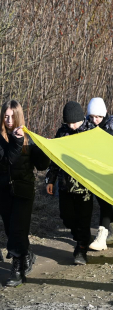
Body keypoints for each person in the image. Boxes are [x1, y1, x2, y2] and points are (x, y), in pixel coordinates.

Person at [0, 100, 49, 286]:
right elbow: (7, 161)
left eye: (12, 116)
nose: (9, 120)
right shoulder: (0, 139)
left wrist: (46, 150)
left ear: (19, 116)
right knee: (10, 230)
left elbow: (42, 165)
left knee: (18, 231)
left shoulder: (28, 139)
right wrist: (16, 141)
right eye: (6, 116)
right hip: (4, 192)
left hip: (24, 192)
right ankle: (27, 254)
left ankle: (18, 271)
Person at [46, 101, 95, 264]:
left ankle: (81, 249)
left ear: (81, 119)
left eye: (75, 122)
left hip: (86, 188)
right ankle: (83, 237)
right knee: (66, 217)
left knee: (83, 219)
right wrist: (50, 180)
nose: (72, 126)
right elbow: (55, 158)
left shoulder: (92, 132)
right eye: (69, 123)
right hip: (65, 185)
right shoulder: (62, 132)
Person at [87, 98, 113, 251]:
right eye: (92, 117)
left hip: (109, 172)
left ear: (104, 115)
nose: (95, 120)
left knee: (104, 202)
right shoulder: (87, 127)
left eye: (98, 117)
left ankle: (102, 236)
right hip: (94, 171)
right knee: (103, 202)